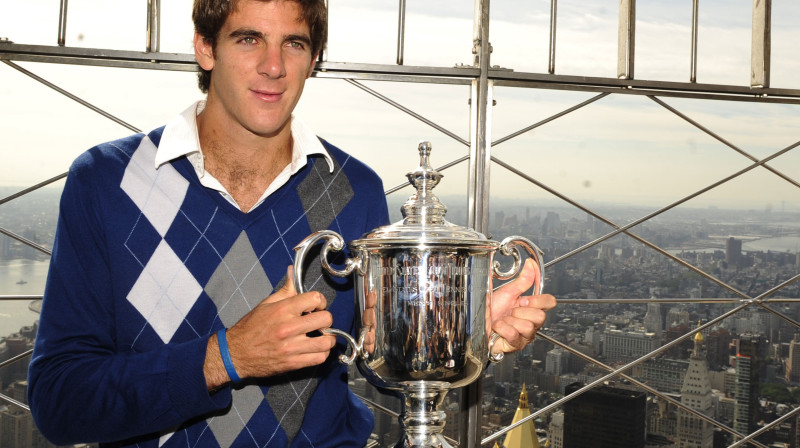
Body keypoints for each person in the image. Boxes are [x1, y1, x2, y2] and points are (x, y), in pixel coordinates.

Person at [27, 0, 557, 447]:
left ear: (313, 59)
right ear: (205, 47)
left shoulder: (355, 191)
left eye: (294, 44)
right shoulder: (106, 183)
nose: (274, 66)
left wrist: (460, 328)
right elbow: (59, 400)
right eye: (248, 39)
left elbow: (377, 355)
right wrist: (225, 358)